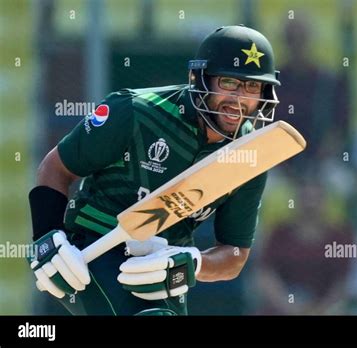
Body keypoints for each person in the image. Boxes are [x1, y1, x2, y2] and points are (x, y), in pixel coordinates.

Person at [27, 25, 280, 316]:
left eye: (252, 87)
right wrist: (47, 240)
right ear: (198, 79)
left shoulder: (250, 154)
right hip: (92, 249)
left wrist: (193, 263)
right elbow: (56, 167)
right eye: (228, 83)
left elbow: (235, 254)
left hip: (162, 262)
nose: (239, 99)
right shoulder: (135, 110)